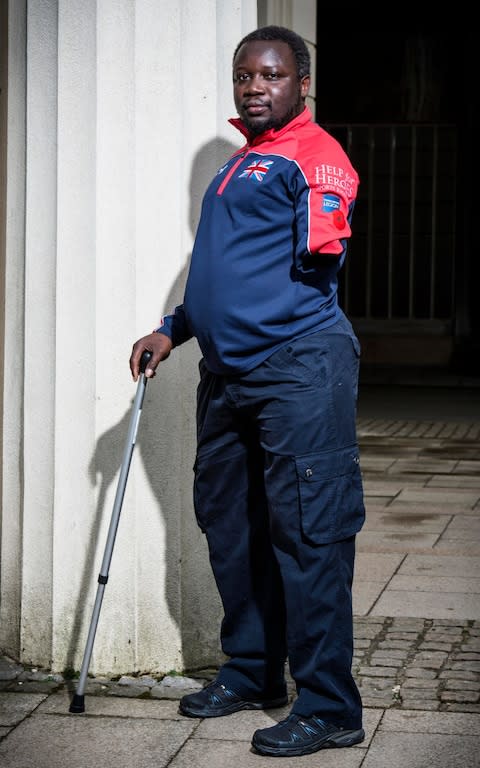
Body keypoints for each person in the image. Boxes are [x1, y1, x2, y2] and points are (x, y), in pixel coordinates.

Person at [130, 25, 366, 758]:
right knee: (230, 522)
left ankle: (328, 706)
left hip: (298, 367)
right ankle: (255, 671)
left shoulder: (315, 157)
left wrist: (326, 225)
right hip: (228, 374)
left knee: (309, 531)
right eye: (244, 75)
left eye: (271, 74)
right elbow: (223, 273)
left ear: (301, 84)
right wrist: (174, 327)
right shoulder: (241, 165)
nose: (255, 86)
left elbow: (326, 238)